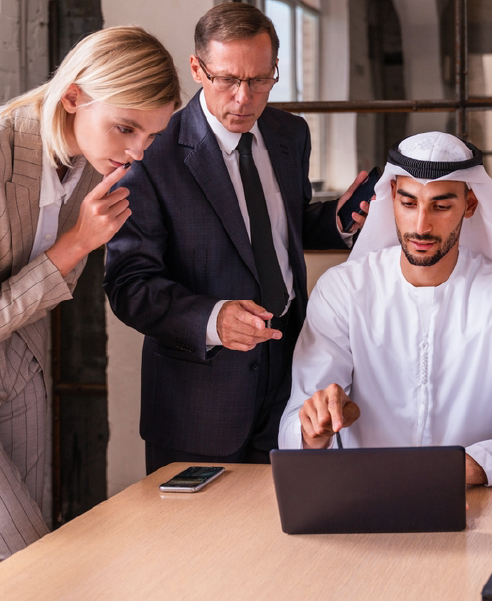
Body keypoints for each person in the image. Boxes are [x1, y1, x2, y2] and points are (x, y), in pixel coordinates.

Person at [103, 3, 369, 474]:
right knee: (200, 545)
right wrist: (212, 318)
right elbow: (129, 285)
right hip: (199, 397)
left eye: (260, 80)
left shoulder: (290, 133)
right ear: (197, 69)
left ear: (275, 71)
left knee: (286, 530)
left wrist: (339, 221)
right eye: (227, 79)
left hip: (291, 367)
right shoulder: (150, 151)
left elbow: (275, 226)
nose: (244, 98)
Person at [0, 26, 180, 570]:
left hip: (21, 370)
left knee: (34, 548)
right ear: (73, 96)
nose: (138, 152)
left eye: (153, 136)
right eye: (125, 127)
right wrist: (75, 246)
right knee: (18, 560)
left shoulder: (99, 162)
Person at [279, 132, 492, 486]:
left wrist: (462, 468)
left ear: (469, 205)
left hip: (474, 505)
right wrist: (313, 431)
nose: (421, 225)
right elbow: (294, 431)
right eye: (409, 204)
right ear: (391, 198)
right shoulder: (342, 290)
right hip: (361, 499)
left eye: (440, 206)